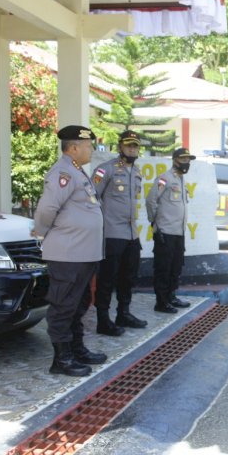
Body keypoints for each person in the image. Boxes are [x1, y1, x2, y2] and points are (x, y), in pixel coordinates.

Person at [32, 125, 106, 377]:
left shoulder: (77, 172)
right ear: (73, 148)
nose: (92, 150)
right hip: (68, 254)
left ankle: (76, 349)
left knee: (79, 303)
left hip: (83, 254)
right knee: (63, 306)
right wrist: (40, 231)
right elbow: (47, 208)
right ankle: (61, 359)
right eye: (88, 146)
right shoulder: (62, 173)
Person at [91, 130, 147, 336]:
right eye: (128, 145)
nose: (132, 149)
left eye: (135, 146)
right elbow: (91, 198)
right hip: (112, 233)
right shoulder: (105, 170)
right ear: (120, 146)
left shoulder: (137, 172)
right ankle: (103, 320)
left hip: (131, 234)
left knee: (128, 277)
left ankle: (123, 313)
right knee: (107, 278)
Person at [146, 147, 195, 313]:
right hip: (165, 232)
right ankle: (161, 302)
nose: (186, 163)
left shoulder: (181, 180)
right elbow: (151, 200)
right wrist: (155, 223)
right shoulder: (164, 179)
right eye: (183, 159)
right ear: (175, 160)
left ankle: (171, 296)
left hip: (178, 232)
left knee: (176, 266)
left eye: (188, 160)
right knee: (163, 268)